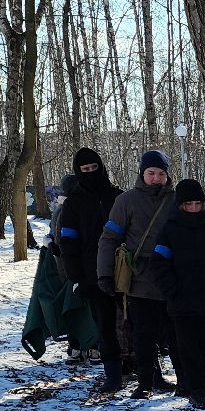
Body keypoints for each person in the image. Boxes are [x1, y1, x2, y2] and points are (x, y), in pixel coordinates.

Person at [96, 150, 178, 399]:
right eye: (151, 173)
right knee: (143, 332)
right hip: (139, 276)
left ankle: (178, 377)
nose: (156, 178)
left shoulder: (175, 200)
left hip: (171, 277)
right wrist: (105, 274)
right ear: (142, 173)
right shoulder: (126, 201)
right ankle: (146, 381)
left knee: (171, 332)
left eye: (161, 174)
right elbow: (109, 238)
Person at [150, 179, 205, 410]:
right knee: (189, 350)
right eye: (189, 204)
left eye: (198, 203)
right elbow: (159, 265)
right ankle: (195, 390)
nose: (194, 208)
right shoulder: (169, 231)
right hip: (182, 304)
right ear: (180, 205)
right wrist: (173, 291)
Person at [51, 148, 122, 378]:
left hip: (125, 269)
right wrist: (76, 277)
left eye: (94, 168)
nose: (90, 172)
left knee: (134, 323)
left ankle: (141, 367)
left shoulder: (117, 196)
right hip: (92, 273)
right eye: (85, 170)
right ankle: (112, 373)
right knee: (105, 324)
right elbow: (68, 244)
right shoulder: (73, 204)